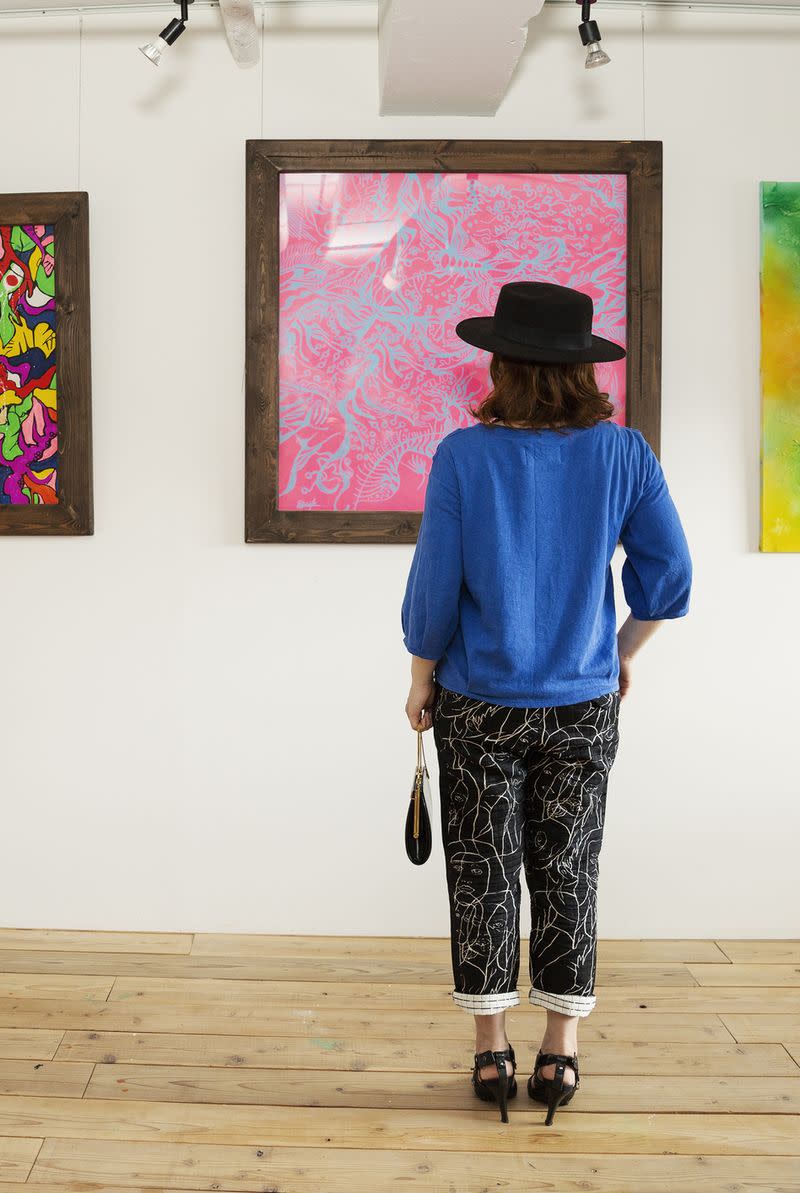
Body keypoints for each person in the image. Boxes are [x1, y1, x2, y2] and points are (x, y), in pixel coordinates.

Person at [400, 280, 692, 1126]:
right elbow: (668, 578)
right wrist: (620, 652)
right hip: (582, 700)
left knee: (483, 870)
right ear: (580, 368)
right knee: (570, 866)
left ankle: (490, 1044)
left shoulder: (463, 454)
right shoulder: (624, 453)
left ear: (501, 362)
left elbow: (434, 591)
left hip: (477, 698)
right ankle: (560, 1051)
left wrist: (420, 677)